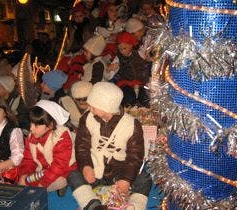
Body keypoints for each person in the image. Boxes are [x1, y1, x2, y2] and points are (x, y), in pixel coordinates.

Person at [67, 82, 152, 210]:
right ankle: (94, 205)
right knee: (73, 175)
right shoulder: (86, 119)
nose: (89, 108)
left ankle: (134, 206)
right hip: (96, 171)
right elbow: (81, 146)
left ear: (107, 107)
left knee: (144, 178)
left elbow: (135, 157)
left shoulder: (132, 125)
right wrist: (86, 166)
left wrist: (125, 179)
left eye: (93, 105)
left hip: (119, 172)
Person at [16, 100, 77, 194]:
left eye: (36, 125)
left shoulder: (61, 136)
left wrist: (42, 183)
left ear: (50, 125)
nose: (31, 128)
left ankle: (61, 186)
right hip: (43, 171)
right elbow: (28, 160)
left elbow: (59, 165)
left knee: (60, 181)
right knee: (22, 179)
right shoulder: (31, 138)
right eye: (31, 123)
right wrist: (24, 175)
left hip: (63, 170)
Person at [105, 32, 152, 107]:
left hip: (141, 82)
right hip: (125, 83)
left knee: (145, 99)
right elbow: (109, 76)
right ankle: (128, 110)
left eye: (124, 48)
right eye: (120, 49)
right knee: (128, 98)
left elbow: (147, 43)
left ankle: (143, 111)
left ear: (131, 45)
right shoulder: (118, 58)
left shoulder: (140, 53)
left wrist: (150, 35)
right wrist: (109, 70)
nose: (122, 51)